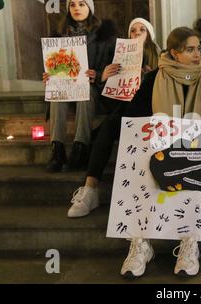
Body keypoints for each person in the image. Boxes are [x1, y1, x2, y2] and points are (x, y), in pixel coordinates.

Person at [67, 27, 201, 278]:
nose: (197, 54)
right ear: (175, 54)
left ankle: (190, 242)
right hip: (161, 144)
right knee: (141, 165)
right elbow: (133, 115)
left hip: (195, 146)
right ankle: (140, 242)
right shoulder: (157, 77)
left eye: (198, 48)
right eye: (190, 49)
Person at [67, 17, 160, 219]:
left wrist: (152, 77)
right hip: (123, 111)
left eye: (141, 30)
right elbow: (107, 99)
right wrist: (104, 76)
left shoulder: (160, 58)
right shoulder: (118, 56)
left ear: (150, 35)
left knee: (107, 128)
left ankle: (92, 188)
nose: (136, 34)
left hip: (150, 114)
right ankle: (90, 189)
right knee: (109, 126)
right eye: (133, 30)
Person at [43, 0, 117, 173]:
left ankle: (80, 148)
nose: (77, 8)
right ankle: (57, 150)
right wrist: (49, 76)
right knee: (56, 98)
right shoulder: (59, 36)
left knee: (86, 95)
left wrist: (98, 75)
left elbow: (114, 66)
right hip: (66, 86)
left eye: (81, 4)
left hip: (92, 87)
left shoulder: (104, 35)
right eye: (73, 5)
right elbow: (54, 63)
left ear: (89, 8)